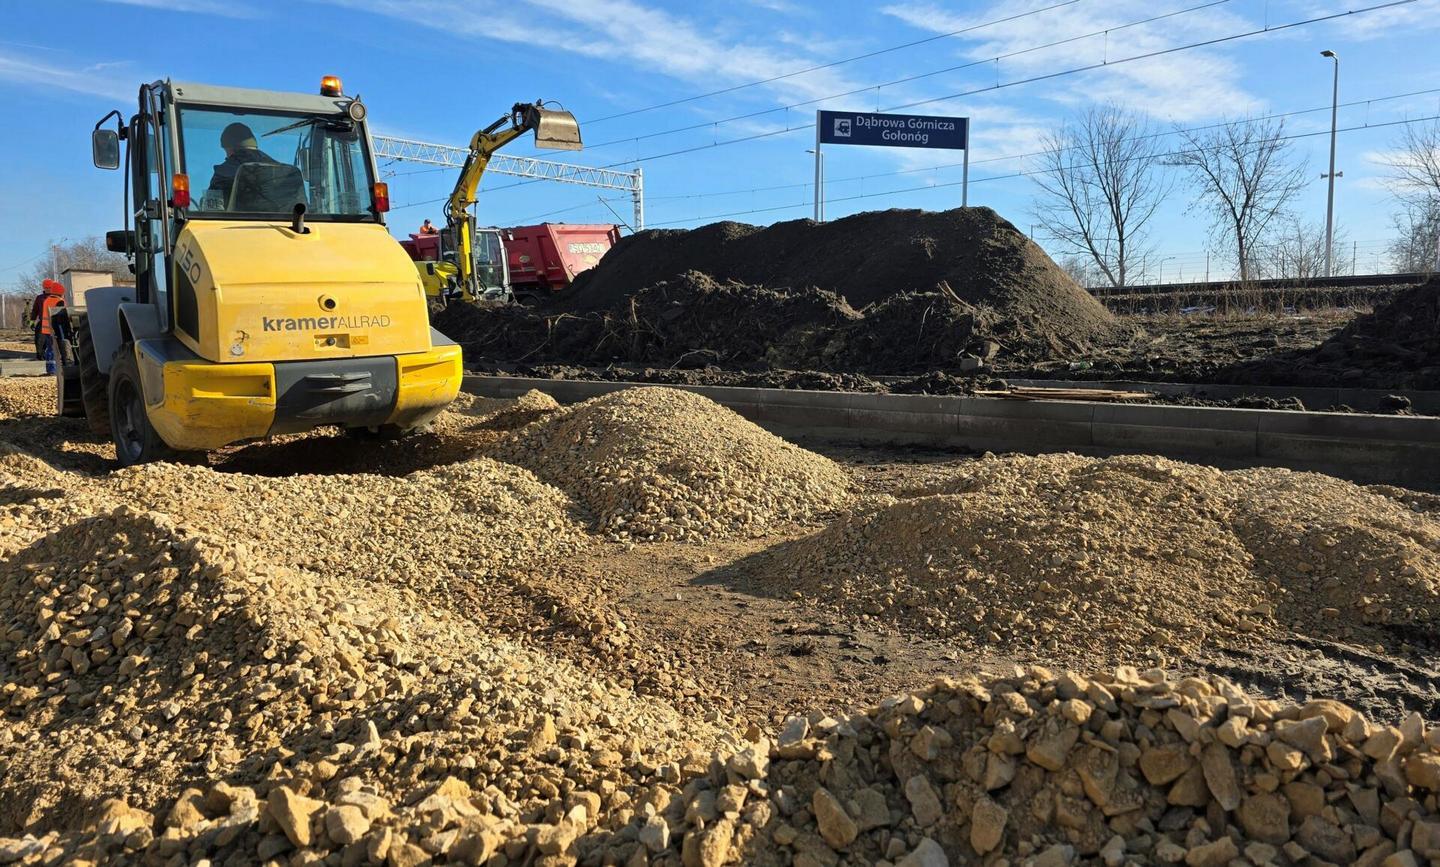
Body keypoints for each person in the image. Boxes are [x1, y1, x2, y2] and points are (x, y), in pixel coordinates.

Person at [204, 122, 282, 207]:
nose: (226, 156)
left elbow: (212, 210)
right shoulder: (281, 170)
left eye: (226, 152)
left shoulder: (224, 172)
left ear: (229, 148)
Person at [30, 279, 65, 369]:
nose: (48, 289)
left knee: (52, 346)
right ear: (43, 288)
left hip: (54, 324)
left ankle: (52, 365)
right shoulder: (40, 298)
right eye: (46, 288)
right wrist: (32, 320)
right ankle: (42, 358)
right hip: (44, 323)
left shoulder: (58, 298)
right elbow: (35, 310)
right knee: (40, 342)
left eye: (49, 288)